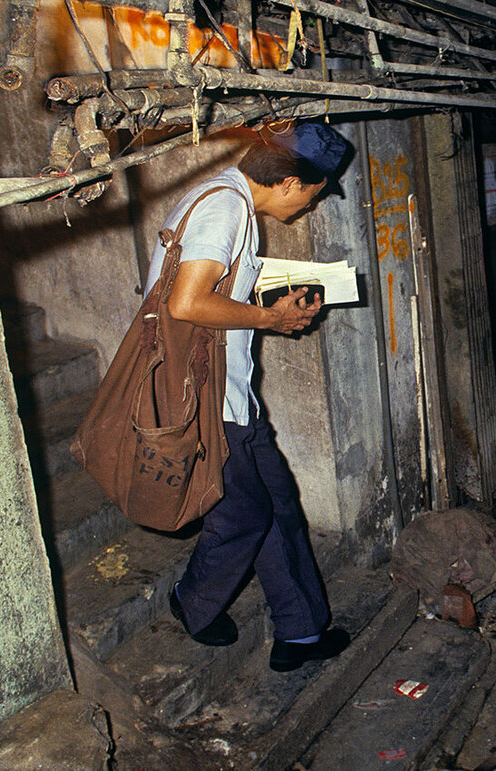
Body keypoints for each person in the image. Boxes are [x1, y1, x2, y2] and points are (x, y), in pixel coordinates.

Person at [144, 120, 352, 672]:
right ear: (288, 182)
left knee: (279, 503)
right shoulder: (224, 208)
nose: (309, 206)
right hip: (207, 401)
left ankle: (301, 633)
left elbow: (213, 288)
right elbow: (185, 303)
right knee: (243, 516)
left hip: (232, 393)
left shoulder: (229, 201)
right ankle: (193, 602)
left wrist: (269, 294)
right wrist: (272, 318)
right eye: (313, 192)